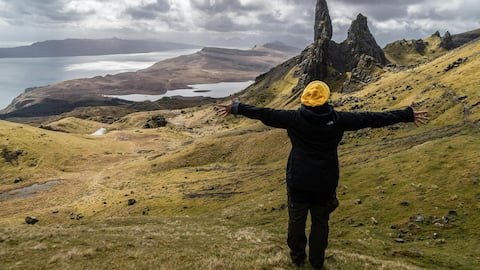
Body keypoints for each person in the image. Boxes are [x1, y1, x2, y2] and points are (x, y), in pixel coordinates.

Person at [217, 80, 429, 269]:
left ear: (304, 99)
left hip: (298, 180)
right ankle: (317, 262)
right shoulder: (338, 119)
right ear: (326, 98)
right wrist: (405, 114)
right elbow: (371, 119)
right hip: (325, 182)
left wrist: (237, 107)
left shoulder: (293, 118)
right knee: (320, 222)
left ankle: (298, 258)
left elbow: (265, 113)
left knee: (296, 220)